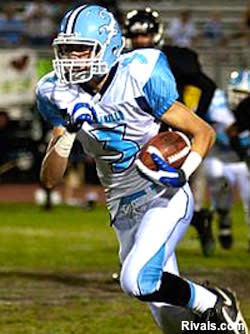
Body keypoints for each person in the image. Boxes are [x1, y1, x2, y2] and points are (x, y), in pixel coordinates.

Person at [37, 4, 248, 334]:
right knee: (173, 323)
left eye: (82, 49)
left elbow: (202, 132)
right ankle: (222, 329)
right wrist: (67, 134)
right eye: (67, 49)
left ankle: (214, 301)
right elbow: (50, 179)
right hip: (121, 207)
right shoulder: (55, 92)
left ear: (108, 48)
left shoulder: (140, 73)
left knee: (136, 279)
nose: (72, 58)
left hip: (162, 194)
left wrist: (184, 170)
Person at [124, 7, 216, 257]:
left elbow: (208, 86)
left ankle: (199, 221)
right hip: (142, 139)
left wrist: (194, 120)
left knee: (181, 191)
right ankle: (148, 256)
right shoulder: (122, 63)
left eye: (146, 35)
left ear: (158, 34)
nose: (142, 41)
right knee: (141, 202)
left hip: (174, 139)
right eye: (136, 36)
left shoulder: (174, 59)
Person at [204, 88, 250, 251]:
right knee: (215, 173)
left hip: (244, 160)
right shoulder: (217, 106)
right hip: (219, 156)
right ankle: (223, 216)